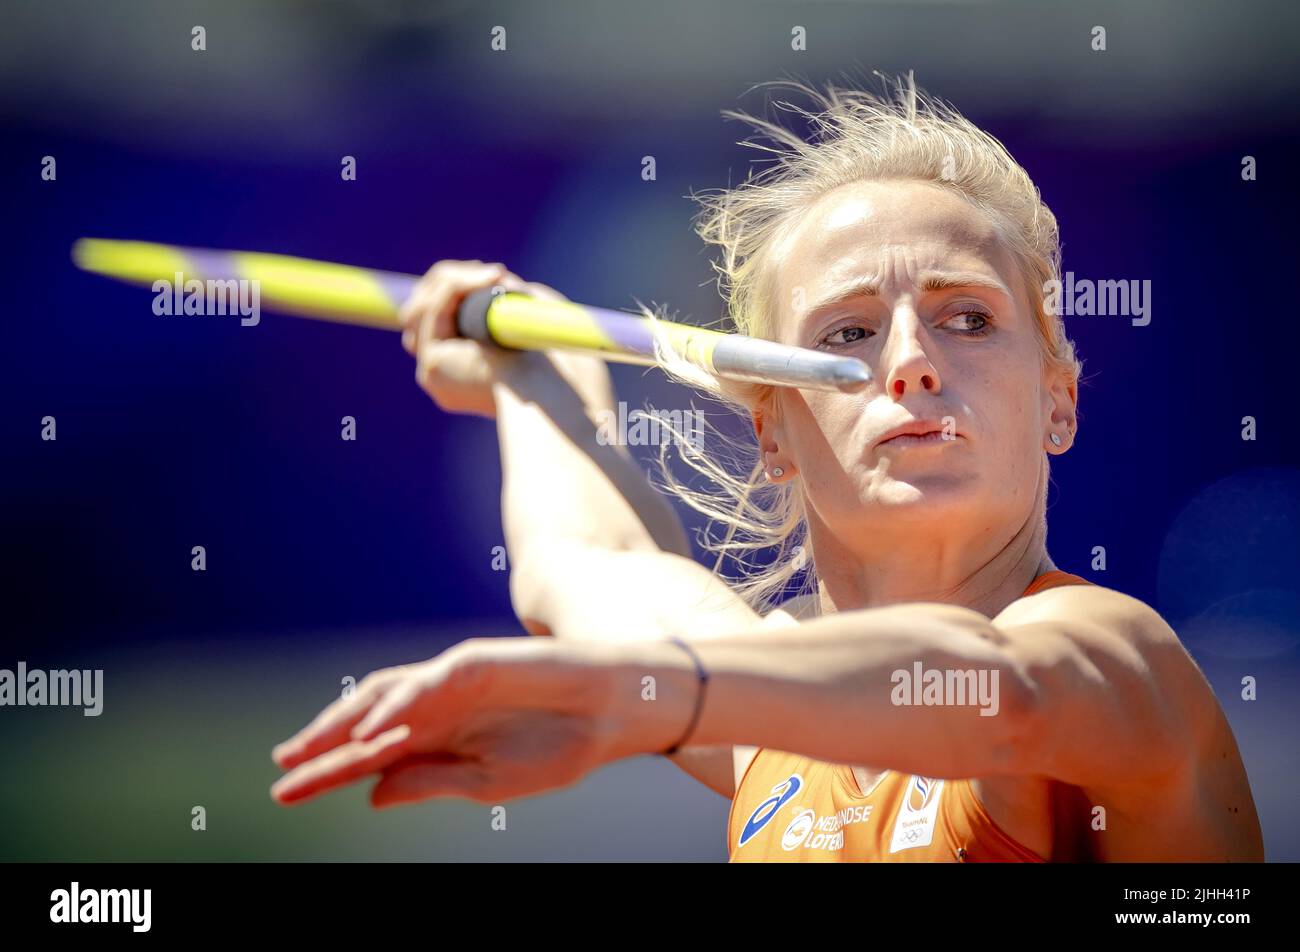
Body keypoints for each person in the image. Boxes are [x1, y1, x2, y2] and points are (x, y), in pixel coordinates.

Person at [269, 75, 1263, 862]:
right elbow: (581, 561)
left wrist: (641, 693)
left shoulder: (1105, 647)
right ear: (773, 433)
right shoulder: (764, 721)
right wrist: (530, 373)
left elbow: (993, 696)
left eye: (968, 317)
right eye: (849, 329)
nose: (913, 358)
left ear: (1058, 400)